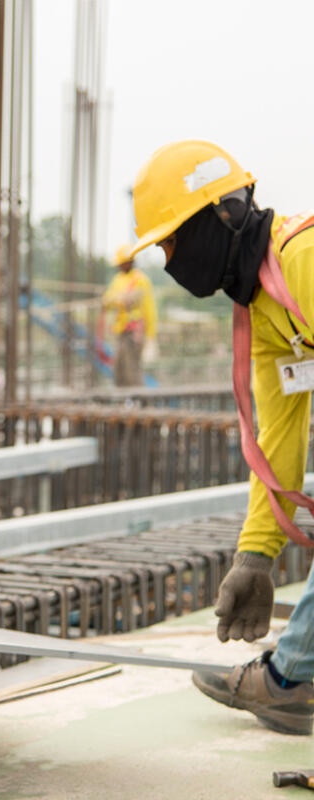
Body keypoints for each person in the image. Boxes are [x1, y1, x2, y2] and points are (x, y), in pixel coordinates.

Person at [127, 139, 314, 736]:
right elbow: (279, 441)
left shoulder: (305, 258)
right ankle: (295, 677)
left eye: (171, 241)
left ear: (224, 214)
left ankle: (292, 679)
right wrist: (255, 557)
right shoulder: (264, 311)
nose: (168, 259)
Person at [100, 244, 157, 387]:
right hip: (120, 331)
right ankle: (123, 403)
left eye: (121, 263)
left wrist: (151, 335)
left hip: (133, 333)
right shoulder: (118, 279)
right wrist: (113, 301)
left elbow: (149, 308)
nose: (119, 266)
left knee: (132, 369)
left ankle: (137, 403)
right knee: (119, 370)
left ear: (129, 262)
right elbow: (107, 300)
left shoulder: (140, 280)